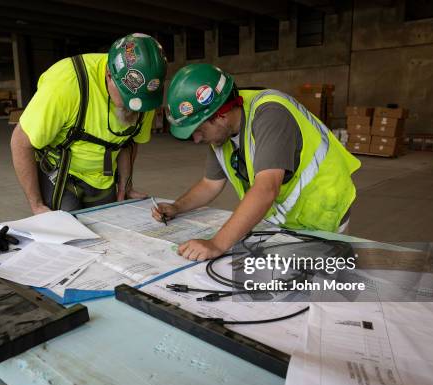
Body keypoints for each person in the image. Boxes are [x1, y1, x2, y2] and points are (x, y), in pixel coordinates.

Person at [152, 64, 361, 261]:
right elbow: (210, 184)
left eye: (198, 130)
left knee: (330, 284)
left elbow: (266, 188)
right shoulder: (220, 135)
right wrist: (177, 207)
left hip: (322, 211)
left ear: (221, 116)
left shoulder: (271, 114)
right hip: (284, 221)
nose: (196, 139)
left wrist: (216, 244)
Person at [11, 33, 167, 214]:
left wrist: (126, 186)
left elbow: (129, 144)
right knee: (66, 230)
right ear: (110, 75)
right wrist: (36, 205)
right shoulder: (66, 84)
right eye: (127, 99)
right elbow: (20, 142)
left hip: (104, 175)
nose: (133, 108)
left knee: (108, 226)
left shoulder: (144, 96)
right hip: (60, 173)